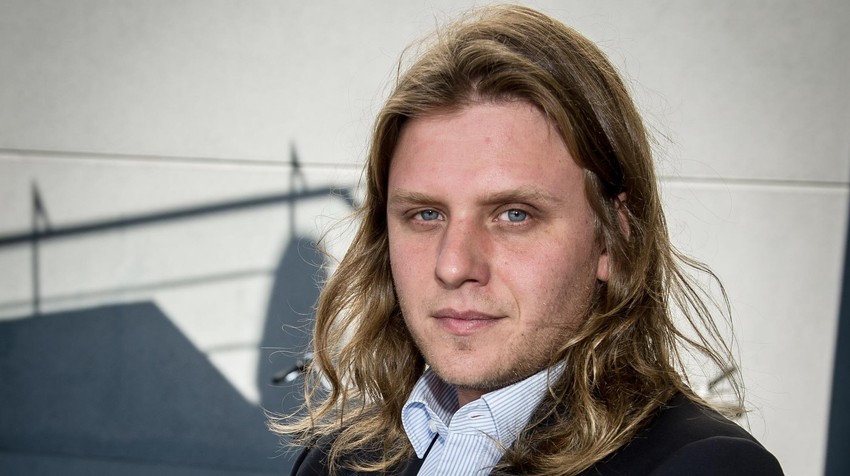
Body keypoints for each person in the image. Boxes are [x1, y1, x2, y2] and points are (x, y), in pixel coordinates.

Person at [273, 5, 784, 475]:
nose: (453, 265)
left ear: (614, 237)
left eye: (514, 215)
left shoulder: (704, 466)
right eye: (426, 214)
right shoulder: (335, 461)